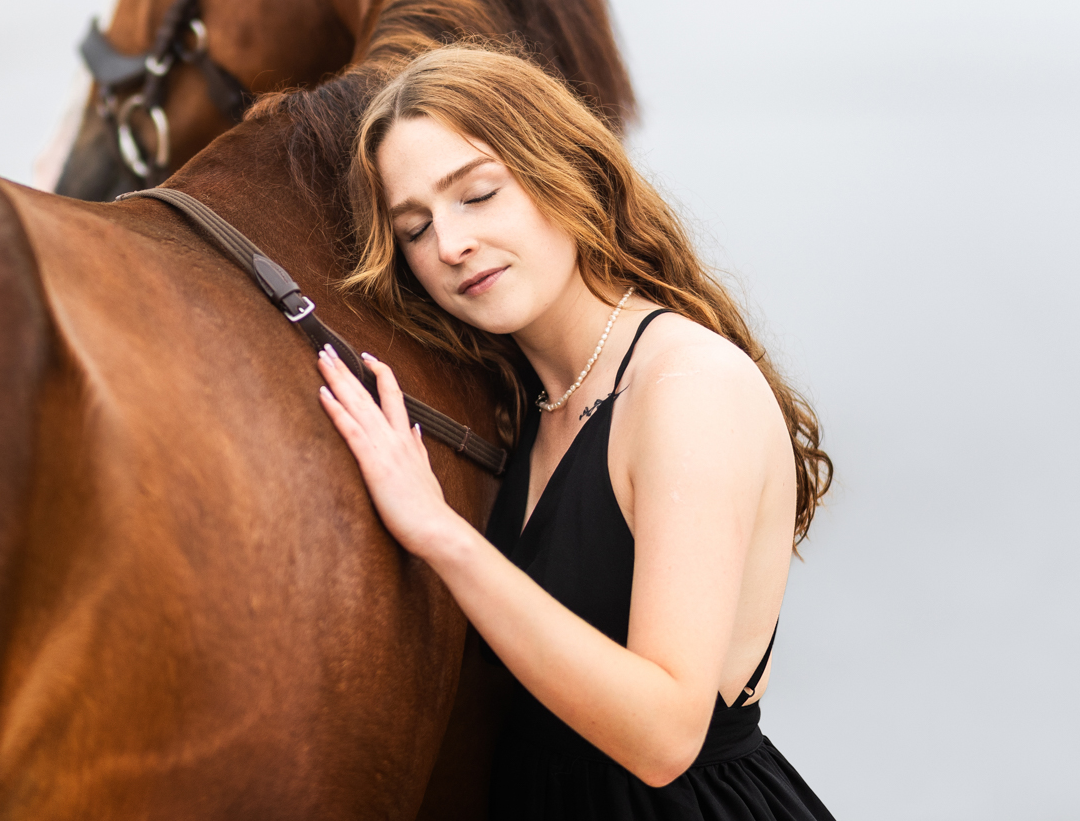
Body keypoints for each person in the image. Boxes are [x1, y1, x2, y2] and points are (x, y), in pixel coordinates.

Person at [314, 43, 836, 819]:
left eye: (477, 194)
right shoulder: (530, 401)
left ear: (566, 172)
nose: (450, 245)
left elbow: (665, 737)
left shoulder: (688, 387)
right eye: (415, 229)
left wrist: (441, 535)